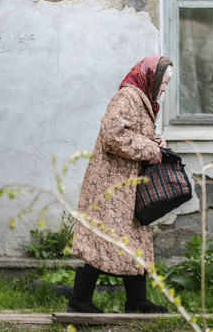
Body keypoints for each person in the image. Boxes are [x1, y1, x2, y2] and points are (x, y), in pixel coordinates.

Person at [68, 55, 173, 314]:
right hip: (111, 184)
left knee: (133, 237)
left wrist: (156, 141)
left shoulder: (142, 100)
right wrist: (149, 147)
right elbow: (113, 135)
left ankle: (136, 301)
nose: (164, 88)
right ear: (151, 76)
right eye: (163, 81)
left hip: (126, 184)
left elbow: (133, 133)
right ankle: (79, 302)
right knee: (104, 239)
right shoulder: (128, 96)